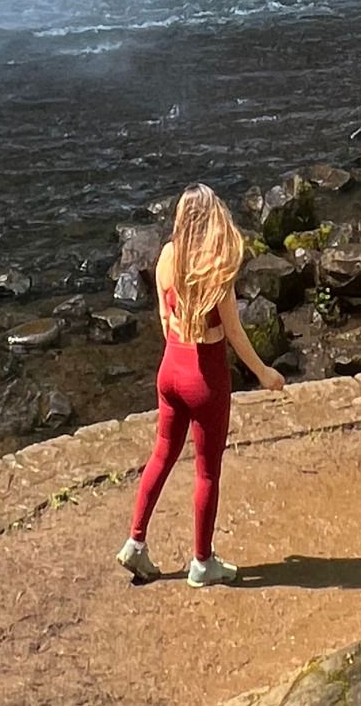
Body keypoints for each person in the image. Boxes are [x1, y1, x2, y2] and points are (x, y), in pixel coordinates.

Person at [117, 183, 285, 586]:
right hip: (205, 379)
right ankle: (202, 562)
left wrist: (175, 356)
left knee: (161, 455)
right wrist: (265, 373)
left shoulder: (166, 258)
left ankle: (135, 543)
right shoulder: (213, 272)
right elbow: (236, 335)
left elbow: (162, 317)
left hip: (170, 369)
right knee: (207, 473)